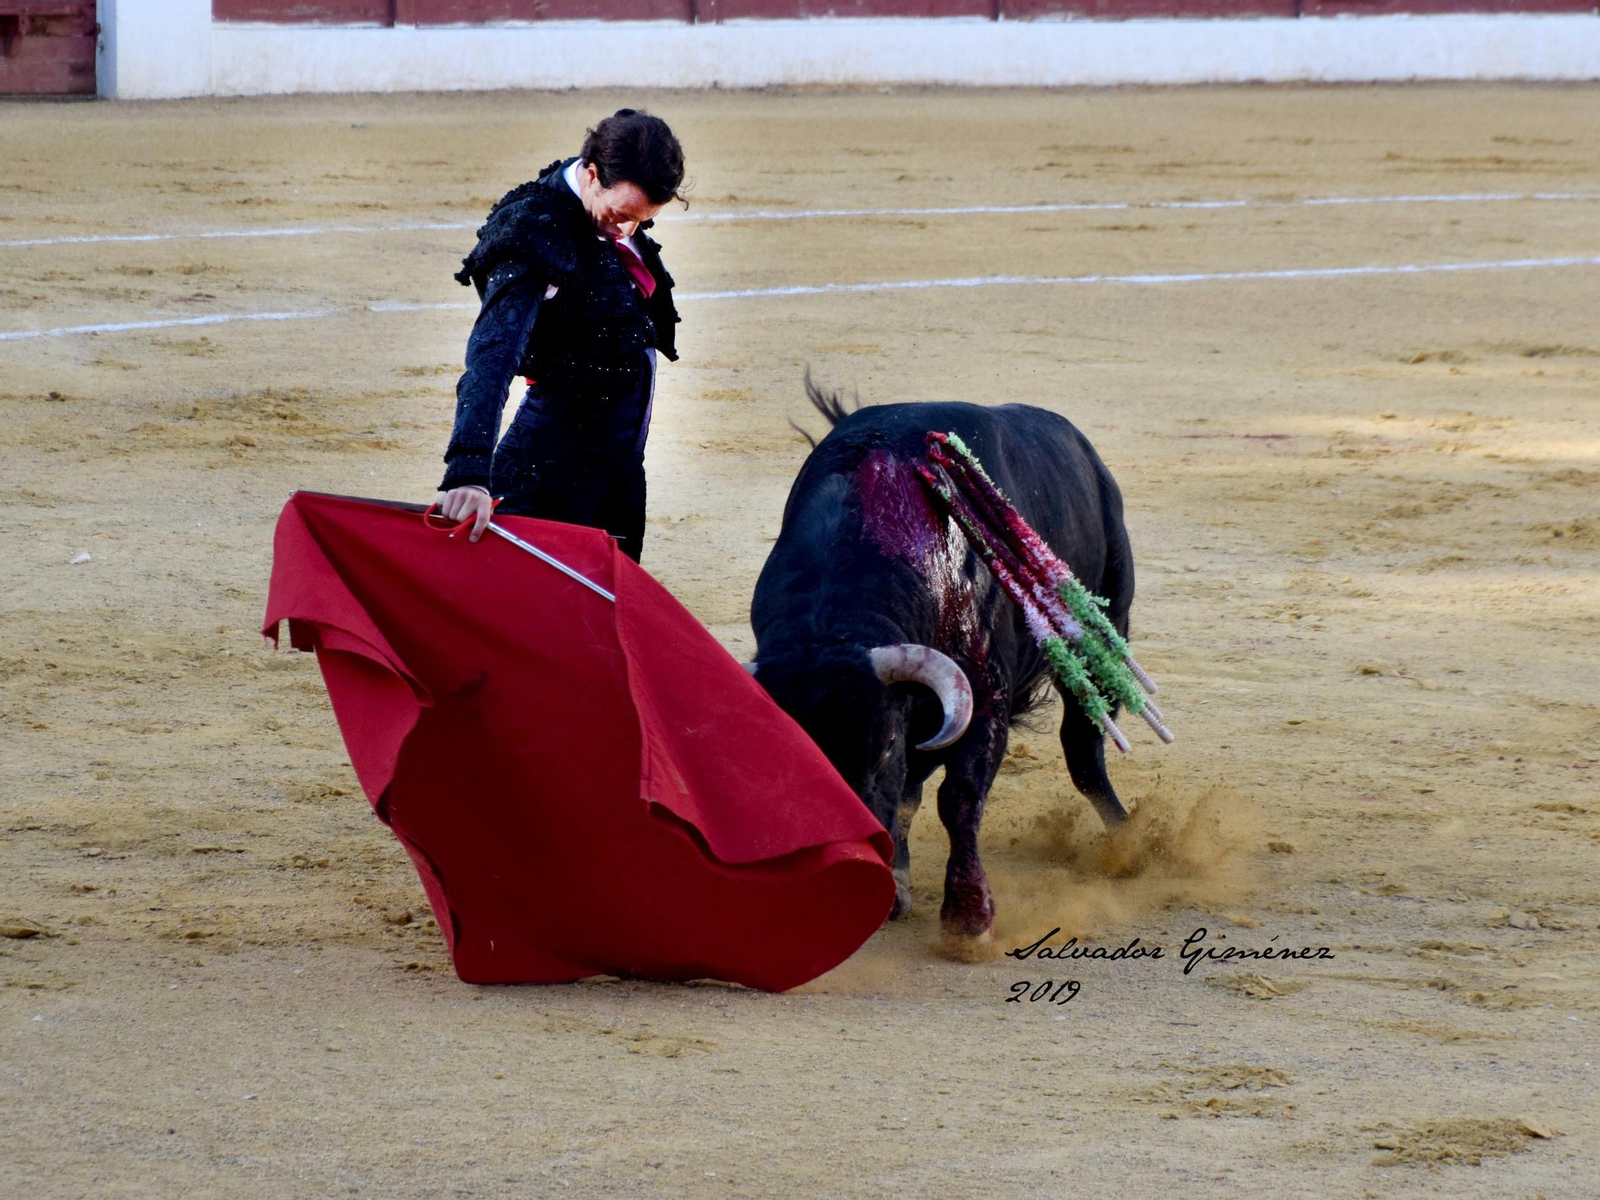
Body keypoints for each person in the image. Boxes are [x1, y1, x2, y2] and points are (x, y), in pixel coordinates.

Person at [433, 109, 685, 561]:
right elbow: (494, 351)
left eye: (641, 220)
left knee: (604, 618)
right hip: (545, 474)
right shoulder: (533, 228)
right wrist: (469, 470)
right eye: (620, 213)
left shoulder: (606, 202)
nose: (626, 229)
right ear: (591, 175)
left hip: (620, 475)